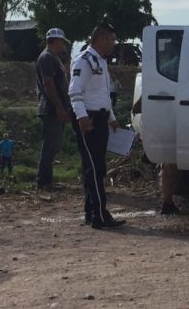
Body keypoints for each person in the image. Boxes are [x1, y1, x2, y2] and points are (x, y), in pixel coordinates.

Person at [69, 21, 125, 230]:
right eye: (111, 40)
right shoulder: (84, 61)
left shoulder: (100, 61)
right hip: (89, 119)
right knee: (94, 168)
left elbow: (101, 94)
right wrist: (82, 118)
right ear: (101, 39)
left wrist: (110, 116)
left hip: (100, 118)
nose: (113, 44)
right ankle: (100, 215)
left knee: (94, 167)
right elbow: (75, 91)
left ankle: (91, 212)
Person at [35, 28, 71, 191]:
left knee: (53, 145)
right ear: (57, 41)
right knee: (50, 145)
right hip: (51, 109)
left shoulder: (54, 58)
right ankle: (43, 182)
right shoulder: (47, 58)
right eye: (62, 42)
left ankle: (46, 180)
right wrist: (59, 107)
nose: (64, 45)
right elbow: (48, 84)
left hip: (56, 108)